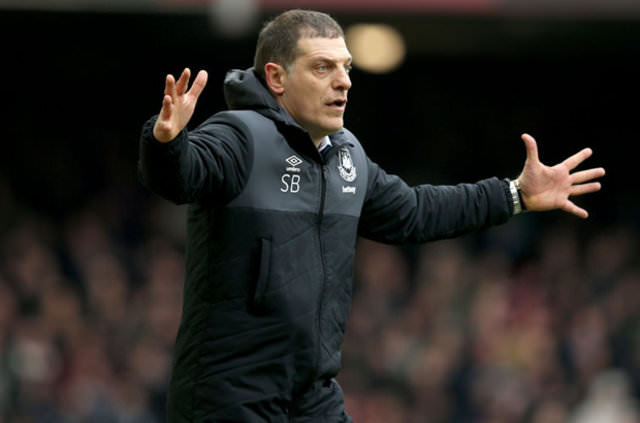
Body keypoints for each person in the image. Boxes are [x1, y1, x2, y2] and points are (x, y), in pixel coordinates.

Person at [138, 9, 605, 423]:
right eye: (323, 67)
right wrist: (165, 144)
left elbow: (415, 212)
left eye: (346, 67)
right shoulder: (240, 137)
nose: (343, 81)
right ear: (277, 78)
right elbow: (180, 177)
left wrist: (514, 194)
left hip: (311, 396)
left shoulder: (346, 156)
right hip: (230, 398)